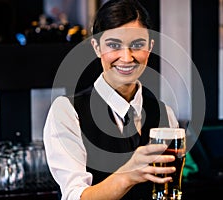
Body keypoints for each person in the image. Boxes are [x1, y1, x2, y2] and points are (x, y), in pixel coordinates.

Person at [43, 0, 183, 199]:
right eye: (114, 45)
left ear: (150, 47)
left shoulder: (165, 114)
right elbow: (74, 196)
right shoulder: (67, 111)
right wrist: (127, 176)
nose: (126, 57)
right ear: (96, 47)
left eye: (137, 45)